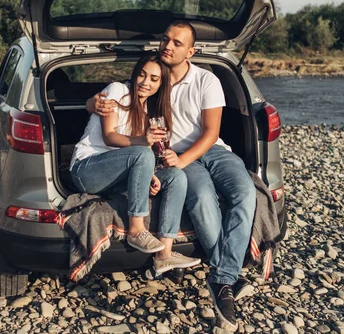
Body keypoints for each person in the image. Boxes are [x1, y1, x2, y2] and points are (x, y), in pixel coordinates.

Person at [90, 22, 256, 331]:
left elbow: (211, 133)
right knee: (204, 200)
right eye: (166, 39)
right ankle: (226, 281)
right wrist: (92, 103)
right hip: (173, 157)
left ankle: (223, 275)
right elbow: (116, 99)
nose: (168, 46)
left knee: (245, 193)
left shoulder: (206, 80)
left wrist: (181, 159)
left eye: (177, 43)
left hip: (210, 151)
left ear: (190, 51)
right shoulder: (152, 81)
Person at [70, 54, 200, 274]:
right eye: (142, 74)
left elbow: (140, 157)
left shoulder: (150, 111)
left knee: (176, 176)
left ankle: (164, 253)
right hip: (87, 170)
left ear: (161, 84)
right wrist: (144, 141)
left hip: (116, 175)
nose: (145, 82)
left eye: (154, 79)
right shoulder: (117, 91)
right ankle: (136, 230)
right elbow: (110, 136)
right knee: (142, 153)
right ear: (134, 73)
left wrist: (150, 177)